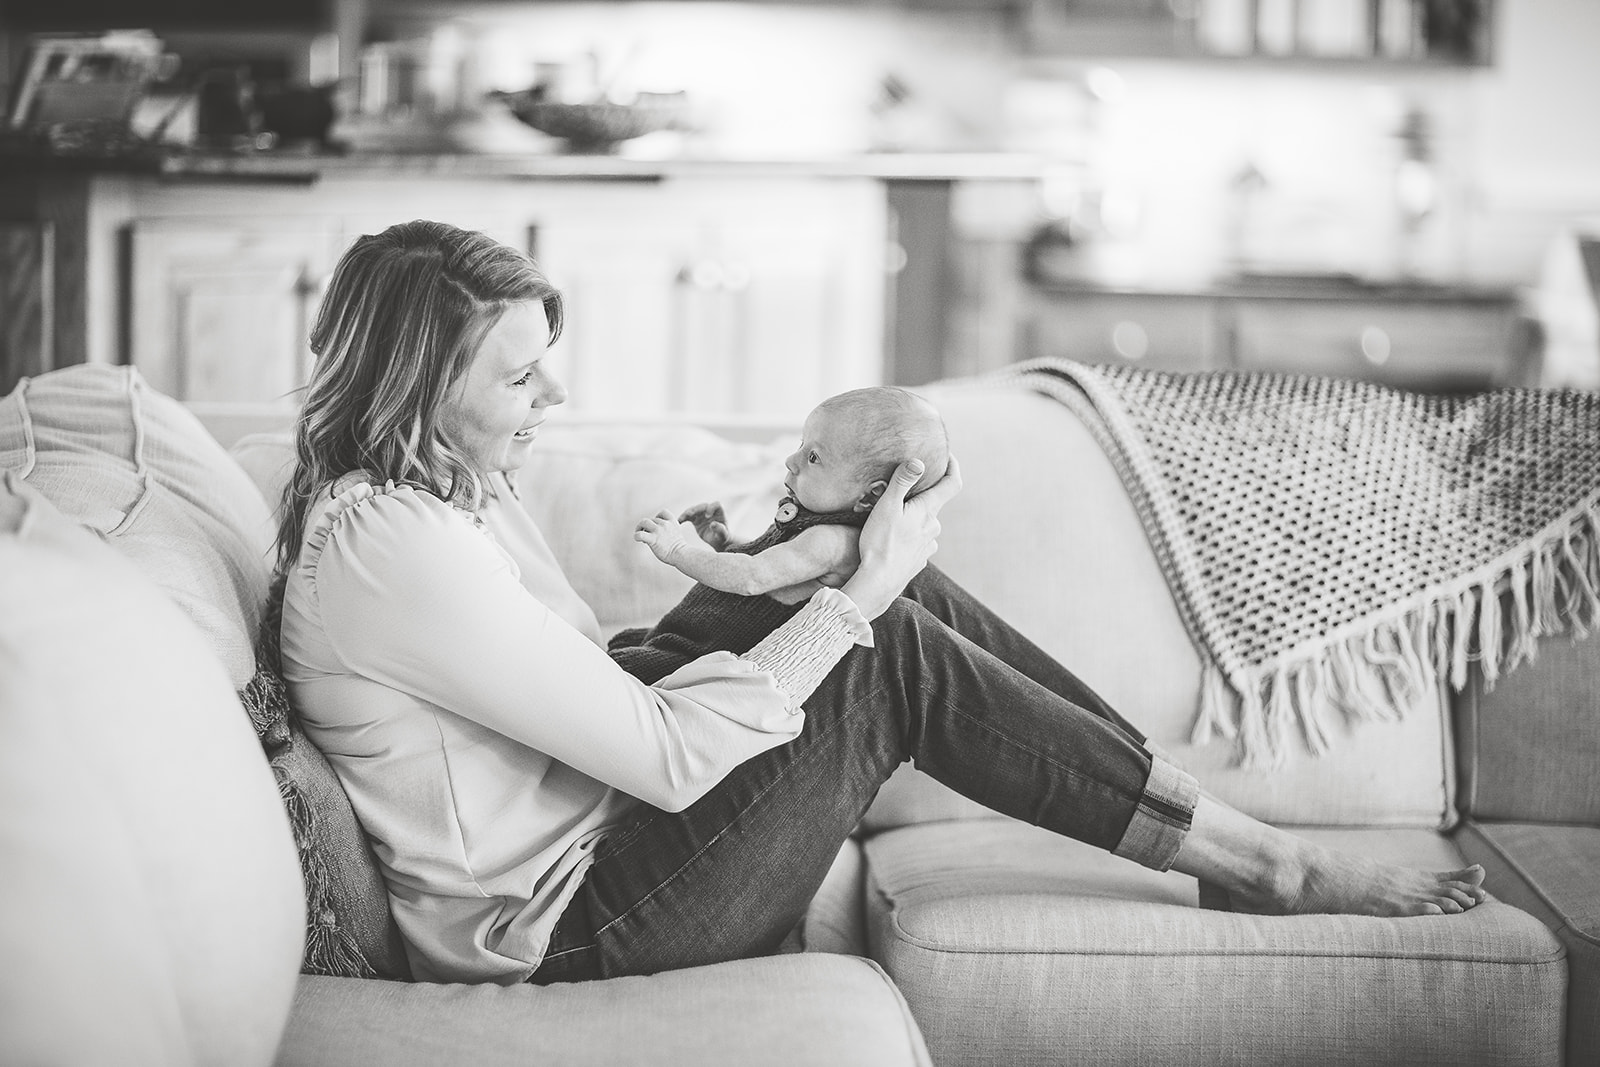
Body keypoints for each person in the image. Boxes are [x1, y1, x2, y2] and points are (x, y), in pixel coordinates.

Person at [273, 219, 1487, 988]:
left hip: (594, 831)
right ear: (423, 381)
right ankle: (1256, 858)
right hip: (570, 928)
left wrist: (788, 583)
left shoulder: (435, 494)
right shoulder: (393, 545)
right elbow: (659, 757)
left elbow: (590, 673)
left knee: (846, 577)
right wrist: (855, 594)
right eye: (521, 370)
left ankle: (1180, 816)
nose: (558, 388)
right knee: (879, 637)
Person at [609, 385, 949, 685]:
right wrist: (725, 542)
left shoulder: (830, 540)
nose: (791, 460)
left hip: (708, 652)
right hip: (694, 634)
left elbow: (752, 579)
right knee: (629, 649)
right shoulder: (810, 524)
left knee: (628, 670)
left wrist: (677, 550)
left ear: (870, 496)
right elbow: (769, 563)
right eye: (802, 445)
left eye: (813, 457)